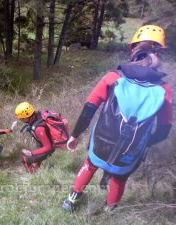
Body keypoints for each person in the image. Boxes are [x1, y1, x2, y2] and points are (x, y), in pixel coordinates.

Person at [62, 25, 172, 213]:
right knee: (119, 179)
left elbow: (89, 108)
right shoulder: (163, 91)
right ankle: (110, 210)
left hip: (100, 143)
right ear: (159, 54)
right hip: (131, 151)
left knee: (90, 165)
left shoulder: (113, 77)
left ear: (133, 49)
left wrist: (75, 135)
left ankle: (72, 200)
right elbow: (163, 131)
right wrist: (143, 143)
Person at [15, 102, 55, 173]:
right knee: (36, 158)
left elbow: (48, 147)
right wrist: (34, 136)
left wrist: (31, 153)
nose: (21, 120)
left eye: (22, 118)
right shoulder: (36, 115)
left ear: (27, 116)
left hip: (49, 149)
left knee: (25, 159)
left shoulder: (39, 128)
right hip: (44, 144)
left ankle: (32, 176)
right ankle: (36, 171)